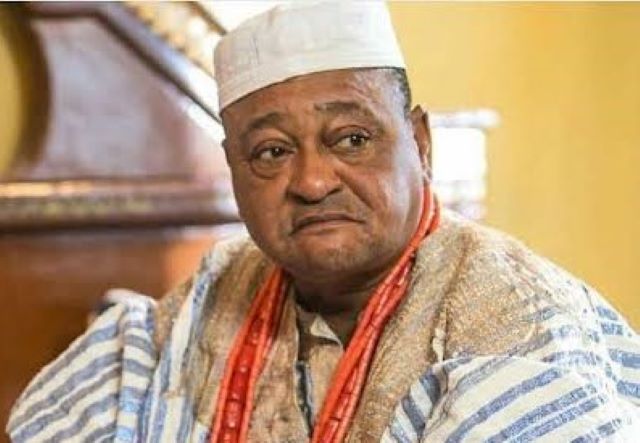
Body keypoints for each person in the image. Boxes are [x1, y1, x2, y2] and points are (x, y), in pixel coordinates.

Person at [7, 3, 640, 442]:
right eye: (271, 152)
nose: (311, 182)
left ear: (420, 143)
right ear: (234, 170)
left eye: (352, 139)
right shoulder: (217, 288)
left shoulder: (513, 320)